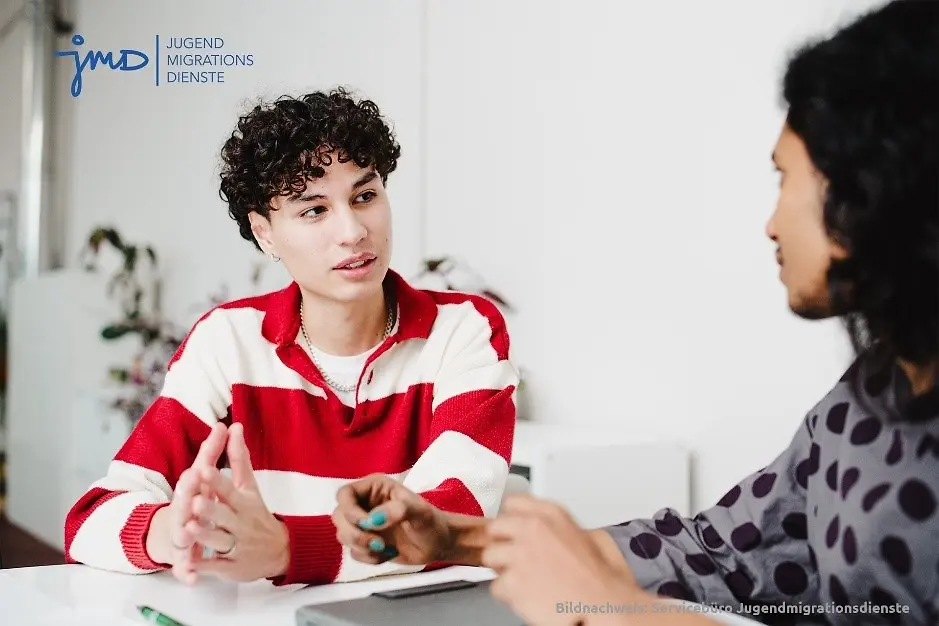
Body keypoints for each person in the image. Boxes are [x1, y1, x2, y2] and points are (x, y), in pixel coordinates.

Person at [331, 1, 938, 624]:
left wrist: (618, 611)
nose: (770, 223)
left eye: (785, 178)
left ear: (871, 187)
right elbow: (719, 552)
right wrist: (458, 539)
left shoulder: (465, 332)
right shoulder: (864, 399)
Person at [63, 88, 519, 587]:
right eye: (314, 210)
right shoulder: (227, 342)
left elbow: (454, 514)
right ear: (265, 233)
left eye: (365, 196)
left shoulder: (461, 330)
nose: (353, 231)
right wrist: (172, 529)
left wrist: (287, 548)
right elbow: (90, 521)